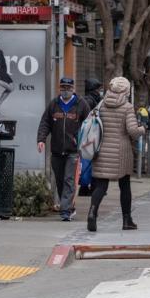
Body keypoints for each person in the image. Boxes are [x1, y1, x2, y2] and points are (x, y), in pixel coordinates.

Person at [87, 77, 146, 232]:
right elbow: (133, 131)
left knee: (101, 185)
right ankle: (127, 220)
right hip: (121, 153)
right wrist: (143, 129)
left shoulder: (101, 105)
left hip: (101, 150)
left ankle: (92, 212)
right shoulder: (127, 107)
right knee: (124, 185)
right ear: (126, 91)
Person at [37, 77, 90, 221]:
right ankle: (69, 206)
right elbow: (45, 123)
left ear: (73, 89)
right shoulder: (54, 104)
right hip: (56, 150)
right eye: (63, 88)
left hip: (73, 150)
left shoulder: (81, 104)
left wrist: (85, 142)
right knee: (60, 180)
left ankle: (65, 210)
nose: (65, 90)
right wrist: (41, 140)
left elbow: (89, 123)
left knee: (69, 180)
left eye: (68, 88)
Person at [79, 78, 104, 196]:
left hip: (89, 135)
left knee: (89, 161)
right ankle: (87, 187)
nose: (100, 91)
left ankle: (88, 187)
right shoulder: (90, 101)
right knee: (89, 162)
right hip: (90, 136)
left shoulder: (89, 99)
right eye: (98, 89)